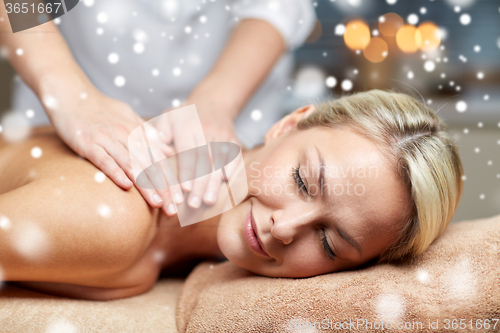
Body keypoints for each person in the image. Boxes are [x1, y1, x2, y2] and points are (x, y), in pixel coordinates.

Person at [0, 90, 463, 300]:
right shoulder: (118, 215)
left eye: (328, 242)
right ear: (288, 124)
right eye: (303, 181)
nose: (285, 228)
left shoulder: (173, 235)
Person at [0, 0, 316, 216]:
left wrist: (215, 103)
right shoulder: (106, 217)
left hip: (235, 106)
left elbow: (278, 6)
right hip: (72, 100)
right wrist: (69, 92)